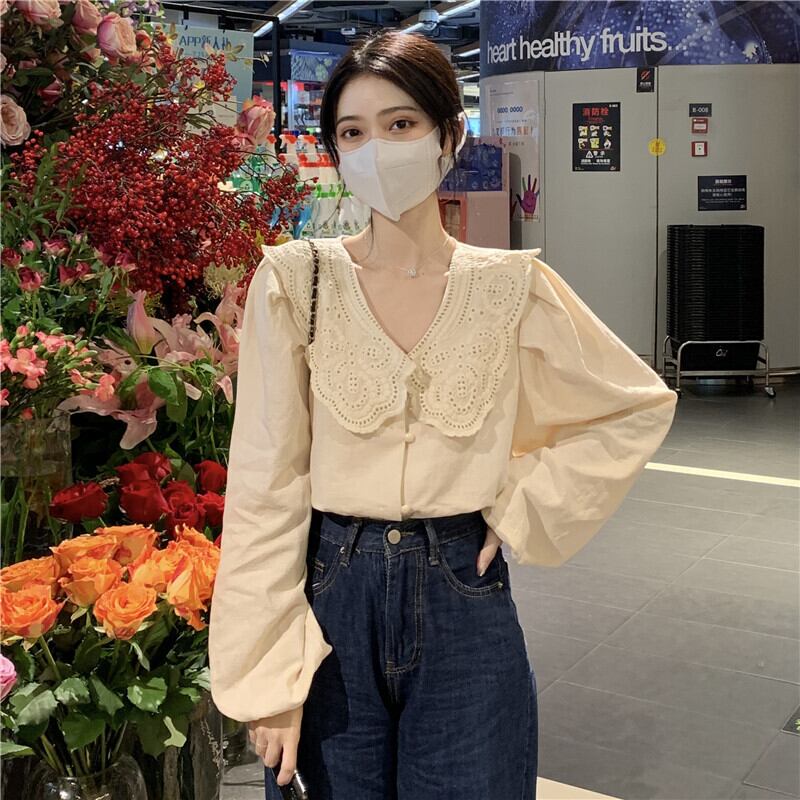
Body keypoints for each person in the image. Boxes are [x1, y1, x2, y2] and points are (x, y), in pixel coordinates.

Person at [209, 30, 677, 800]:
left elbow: (630, 408)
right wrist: (267, 675)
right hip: (333, 594)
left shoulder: (510, 286)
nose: (377, 150)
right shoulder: (297, 282)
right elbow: (265, 483)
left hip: (463, 594)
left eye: (400, 124)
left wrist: (521, 504)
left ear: (448, 136)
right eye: (352, 133)